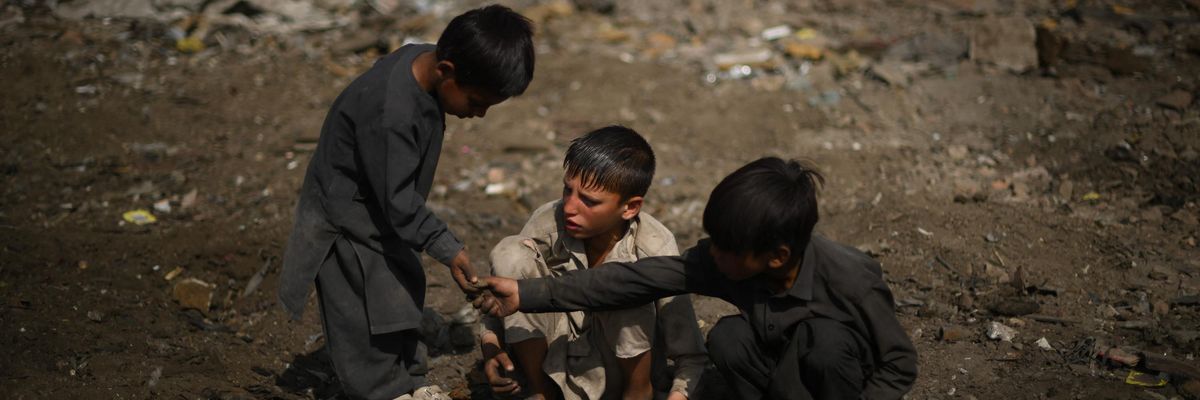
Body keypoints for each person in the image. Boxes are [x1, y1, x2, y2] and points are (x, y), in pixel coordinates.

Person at [476, 157, 919, 400]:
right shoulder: (724, 258)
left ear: (777, 256)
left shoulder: (850, 278)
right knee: (728, 338)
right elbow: (630, 281)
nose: (713, 254)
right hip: (775, 365)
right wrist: (527, 293)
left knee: (825, 344)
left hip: (832, 376)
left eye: (726, 249)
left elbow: (898, 363)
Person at [276, 5, 535, 399]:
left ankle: (410, 377)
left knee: (400, 287)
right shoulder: (391, 112)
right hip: (347, 217)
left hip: (384, 208)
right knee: (362, 311)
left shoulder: (426, 62)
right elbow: (397, 201)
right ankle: (383, 390)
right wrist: (449, 249)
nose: (479, 114)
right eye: (476, 101)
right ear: (446, 71)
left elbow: (398, 199)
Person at [479, 126, 706, 400]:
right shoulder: (547, 221)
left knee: (623, 284)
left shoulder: (655, 246)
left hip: (618, 379)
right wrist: (492, 347)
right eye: (567, 190)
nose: (570, 207)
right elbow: (505, 298)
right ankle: (539, 393)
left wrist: (678, 396)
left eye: (589, 200)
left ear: (630, 207)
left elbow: (691, 356)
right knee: (510, 252)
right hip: (556, 367)